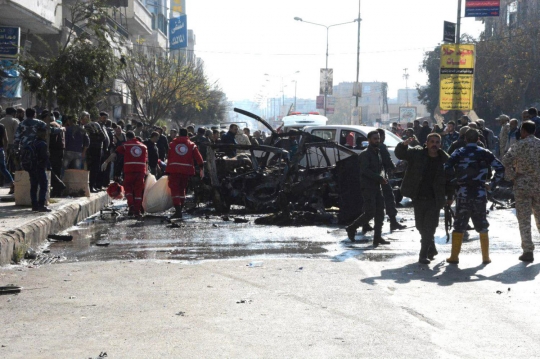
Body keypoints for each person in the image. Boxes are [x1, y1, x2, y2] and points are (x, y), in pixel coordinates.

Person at [444, 129, 504, 264]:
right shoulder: (484, 153)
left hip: (463, 192)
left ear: (465, 139)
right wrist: (492, 184)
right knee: (482, 223)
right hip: (480, 192)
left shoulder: (458, 152)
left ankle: (454, 257)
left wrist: (454, 180)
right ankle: (485, 257)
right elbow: (500, 168)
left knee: (459, 224)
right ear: (478, 139)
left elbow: (446, 167)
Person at [395, 133, 453, 263]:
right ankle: (431, 247)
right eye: (432, 141)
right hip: (418, 197)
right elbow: (400, 154)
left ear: (440, 144)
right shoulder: (417, 154)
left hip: (435, 199)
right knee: (420, 226)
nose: (434, 144)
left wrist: (450, 196)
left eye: (437, 142)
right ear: (426, 143)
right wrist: (404, 144)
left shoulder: (444, 160)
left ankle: (423, 254)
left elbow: (450, 180)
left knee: (429, 227)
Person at [502, 121, 540, 262]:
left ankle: (528, 251)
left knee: (524, 220)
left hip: (522, 185)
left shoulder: (518, 145)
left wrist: (512, 176)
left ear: (523, 131)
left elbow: (506, 160)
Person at [345, 131, 391, 247]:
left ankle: (377, 237)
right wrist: (379, 177)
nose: (377, 141)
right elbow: (365, 171)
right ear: (369, 140)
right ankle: (352, 227)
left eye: (378, 138)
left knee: (380, 211)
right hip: (368, 186)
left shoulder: (378, 152)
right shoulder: (365, 154)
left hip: (377, 185)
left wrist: (384, 177)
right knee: (370, 212)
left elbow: (380, 168)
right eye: (375, 139)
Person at [166, 128, 204, 219]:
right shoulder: (192, 145)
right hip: (186, 171)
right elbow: (199, 158)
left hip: (174, 170)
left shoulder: (172, 144)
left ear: (179, 134)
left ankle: (178, 211)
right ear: (187, 135)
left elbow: (168, 156)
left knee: (175, 190)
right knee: (182, 189)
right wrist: (202, 168)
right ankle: (180, 209)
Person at [376, 129, 406, 231]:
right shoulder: (382, 147)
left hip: (374, 178)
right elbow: (387, 160)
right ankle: (393, 222)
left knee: (372, 201)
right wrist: (394, 169)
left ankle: (365, 223)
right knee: (389, 198)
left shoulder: (371, 147)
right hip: (383, 177)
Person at [114, 131, 147, 217]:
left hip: (129, 171)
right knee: (138, 191)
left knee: (128, 189)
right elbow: (146, 161)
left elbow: (117, 151)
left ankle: (131, 205)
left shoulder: (126, 145)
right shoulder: (143, 146)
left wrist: (106, 161)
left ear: (127, 138)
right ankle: (137, 211)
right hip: (140, 172)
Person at [28, 127, 51, 212]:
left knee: (33, 187)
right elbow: (43, 157)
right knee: (43, 186)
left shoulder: (32, 143)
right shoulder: (43, 144)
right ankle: (41, 205)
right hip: (39, 168)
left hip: (31, 168)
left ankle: (34, 205)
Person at [82, 111, 107, 192]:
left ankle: (91, 185)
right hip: (89, 149)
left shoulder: (94, 125)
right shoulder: (84, 126)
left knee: (93, 168)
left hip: (94, 148)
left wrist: (93, 140)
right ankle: (89, 186)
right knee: (90, 168)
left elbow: (102, 137)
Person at [0, 107, 20, 179]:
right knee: (14, 163)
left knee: (3, 164)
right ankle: (13, 178)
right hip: (12, 145)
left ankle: (3, 179)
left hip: (2, 145)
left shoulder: (1, 121)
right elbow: (17, 133)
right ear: (13, 113)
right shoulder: (15, 121)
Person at [0, 121, 14, 194]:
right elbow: (6, 139)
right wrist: (4, 150)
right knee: (3, 168)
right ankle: (12, 184)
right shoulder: (2, 126)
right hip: (0, 150)